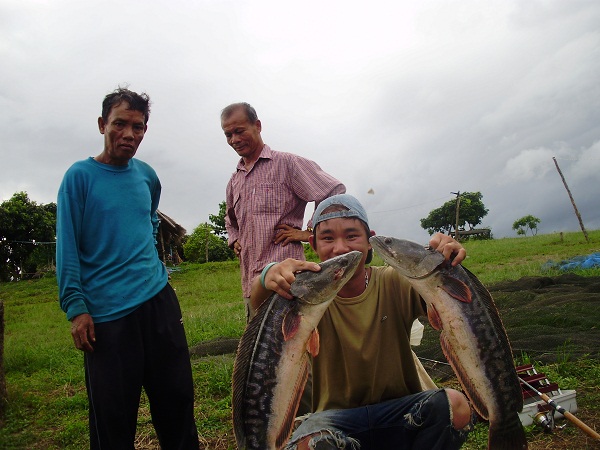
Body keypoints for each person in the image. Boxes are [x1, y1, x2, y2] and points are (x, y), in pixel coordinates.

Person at [250, 194, 473, 450]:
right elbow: (259, 303)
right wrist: (267, 275)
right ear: (313, 244)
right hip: (335, 421)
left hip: (402, 412)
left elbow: (447, 301)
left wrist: (444, 261)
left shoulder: (395, 281)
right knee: (309, 445)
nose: (341, 248)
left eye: (352, 236)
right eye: (328, 238)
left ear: (370, 241)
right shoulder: (305, 294)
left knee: (455, 406)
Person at [56, 87, 199, 449]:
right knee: (113, 416)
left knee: (177, 399)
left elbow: (150, 219)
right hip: (107, 316)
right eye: (120, 124)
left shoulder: (147, 176)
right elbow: (67, 246)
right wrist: (77, 308)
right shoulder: (79, 178)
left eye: (138, 127)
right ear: (103, 124)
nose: (129, 134)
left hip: (158, 303)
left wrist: (151, 263)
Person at [221, 102, 346, 321]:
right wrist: (234, 239)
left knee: (295, 345)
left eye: (239, 131)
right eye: (228, 134)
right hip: (253, 285)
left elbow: (333, 191)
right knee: (259, 349)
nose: (234, 140)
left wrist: (310, 233)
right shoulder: (234, 181)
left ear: (257, 126)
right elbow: (230, 220)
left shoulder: (286, 164)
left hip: (289, 283)